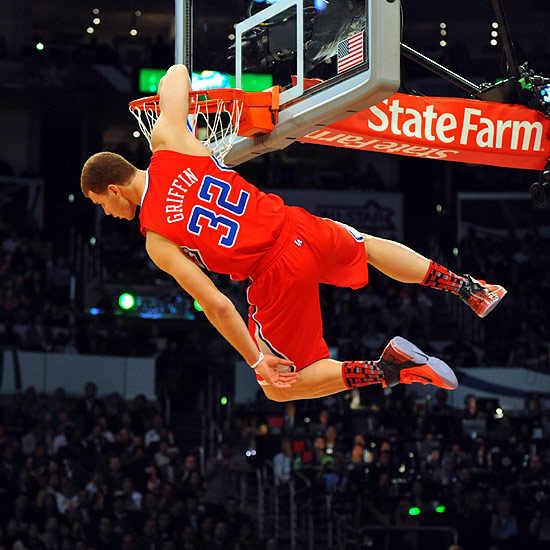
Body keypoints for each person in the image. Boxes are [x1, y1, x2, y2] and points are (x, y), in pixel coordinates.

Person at [81, 64, 507, 402]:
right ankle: (470, 288)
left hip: (274, 273)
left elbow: (217, 306)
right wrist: (179, 104)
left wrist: (254, 362)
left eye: (103, 204)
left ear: (114, 189)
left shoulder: (155, 237)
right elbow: (176, 74)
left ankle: (388, 369)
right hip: (294, 224)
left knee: (281, 384)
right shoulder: (169, 140)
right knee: (370, 246)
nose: (110, 213)